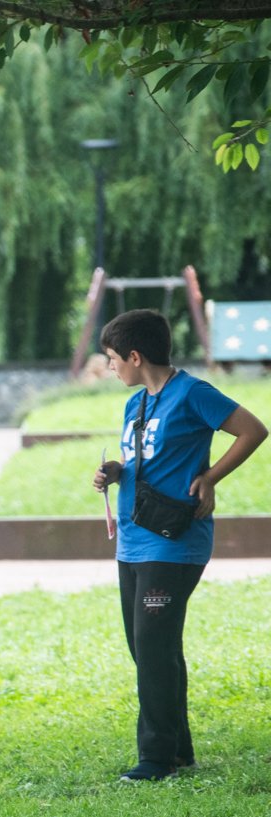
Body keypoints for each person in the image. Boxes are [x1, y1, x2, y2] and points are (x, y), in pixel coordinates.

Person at [90, 308, 266, 782]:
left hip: (173, 541)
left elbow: (253, 430)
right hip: (133, 539)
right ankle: (179, 750)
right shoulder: (136, 403)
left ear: (135, 356)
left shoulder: (192, 393)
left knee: (153, 647)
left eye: (112, 358)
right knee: (149, 647)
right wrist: (114, 472)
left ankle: (156, 758)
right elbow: (138, 460)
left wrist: (210, 477)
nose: (110, 367)